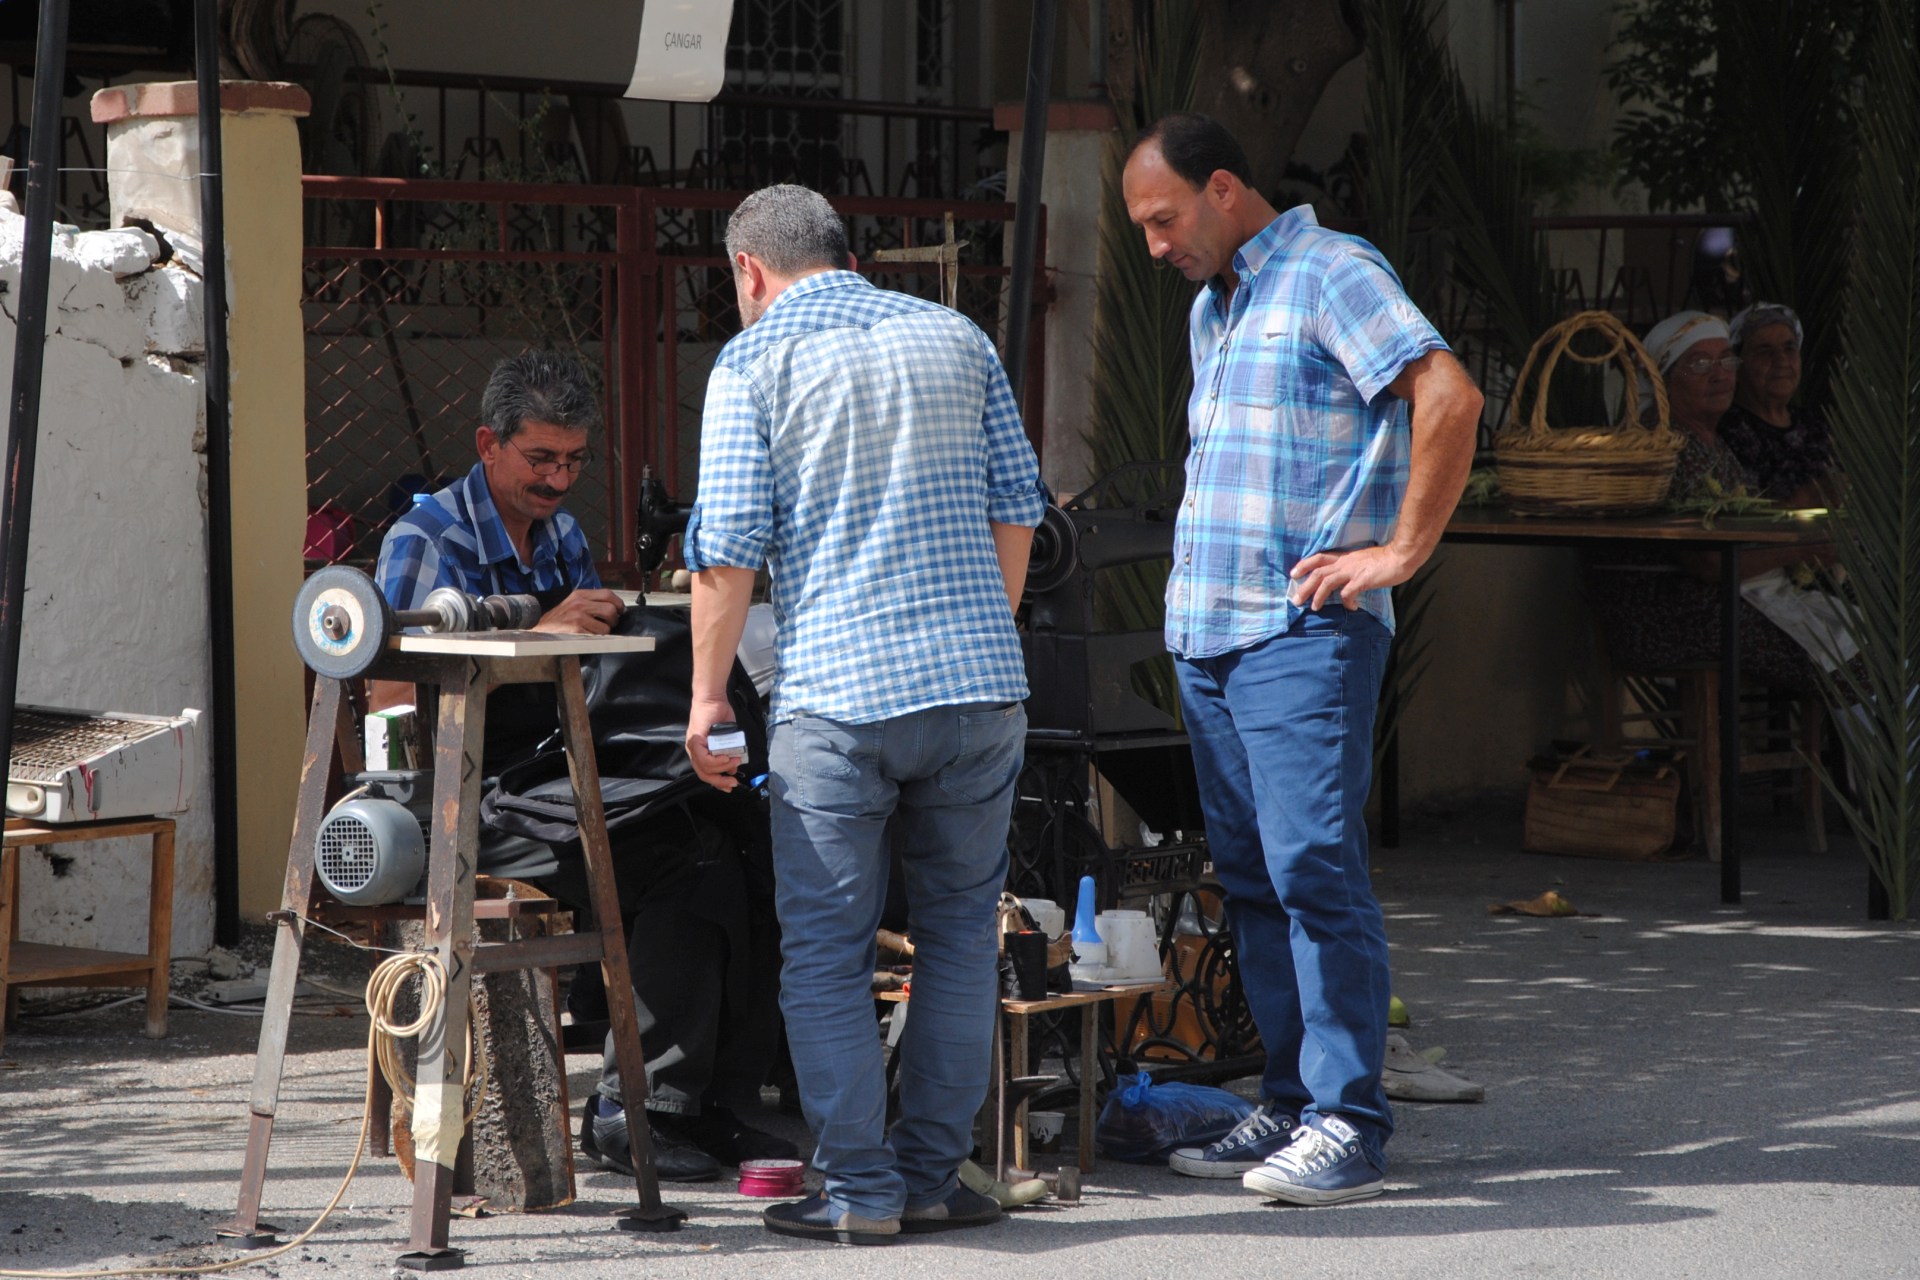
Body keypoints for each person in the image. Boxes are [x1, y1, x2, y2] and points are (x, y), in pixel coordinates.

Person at [1120, 114, 1483, 1206]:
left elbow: (1450, 394)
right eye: (1141, 227)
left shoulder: (1331, 271)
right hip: (1210, 632)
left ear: (1225, 188)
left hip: (1301, 632)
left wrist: (1403, 550)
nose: (1154, 244)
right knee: (1253, 878)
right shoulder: (1212, 306)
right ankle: (1288, 1101)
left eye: (1164, 218)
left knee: (1315, 867)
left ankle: (1349, 1122)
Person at [681, 184, 1046, 1244]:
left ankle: (862, 1190)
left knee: (829, 953)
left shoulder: (752, 362)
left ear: (750, 270)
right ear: (844, 252)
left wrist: (710, 697)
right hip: (980, 688)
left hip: (839, 699)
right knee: (958, 938)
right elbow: (1018, 507)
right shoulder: (957, 336)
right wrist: (981, 628)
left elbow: (728, 549)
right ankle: (933, 1176)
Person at [373, 349, 795, 1184]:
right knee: (684, 866)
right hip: (467, 791)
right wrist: (546, 629)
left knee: (743, 832)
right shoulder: (427, 540)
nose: (558, 481)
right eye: (541, 460)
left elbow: (593, 674)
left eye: (572, 462)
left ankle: (711, 1098)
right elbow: (393, 699)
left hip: (553, 770)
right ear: (490, 444)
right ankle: (638, 1109)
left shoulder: (561, 535)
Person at [1589, 311, 1850, 695]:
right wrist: (1796, 547)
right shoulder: (1664, 445)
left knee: (1884, 648)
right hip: (1680, 615)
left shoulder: (1711, 441)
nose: (1720, 374)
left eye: (1727, 360)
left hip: (1728, 599)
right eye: (1699, 363)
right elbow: (1708, 561)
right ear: (1664, 377)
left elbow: (1744, 525)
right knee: (1862, 670)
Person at [1719, 302, 1833, 505]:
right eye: (1764, 350)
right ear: (1737, 364)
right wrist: (1812, 496)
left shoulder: (1815, 425)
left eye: (1789, 348)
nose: (1781, 360)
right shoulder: (1727, 430)